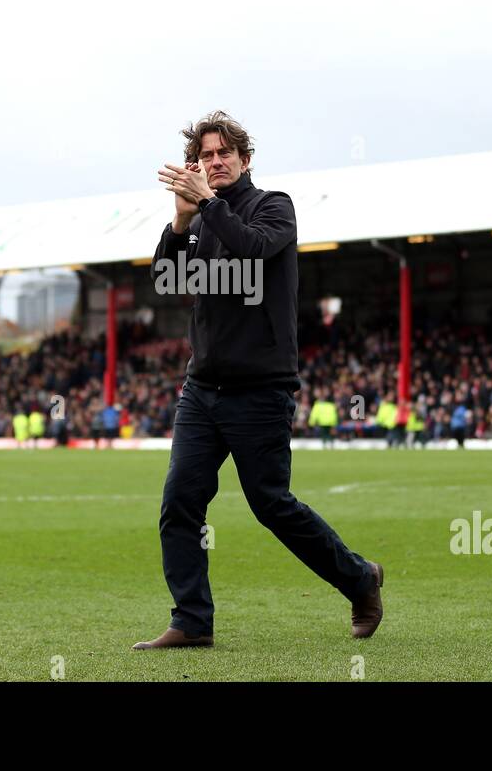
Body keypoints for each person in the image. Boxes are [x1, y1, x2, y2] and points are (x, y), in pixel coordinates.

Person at [135, 111, 382, 650]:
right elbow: (165, 282)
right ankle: (191, 622)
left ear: (246, 160)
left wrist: (206, 204)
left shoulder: (275, 207)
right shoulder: (198, 221)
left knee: (271, 504)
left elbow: (250, 247)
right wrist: (179, 225)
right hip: (201, 389)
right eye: (204, 155)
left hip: (261, 388)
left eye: (224, 153)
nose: (214, 161)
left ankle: (361, 579)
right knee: (179, 501)